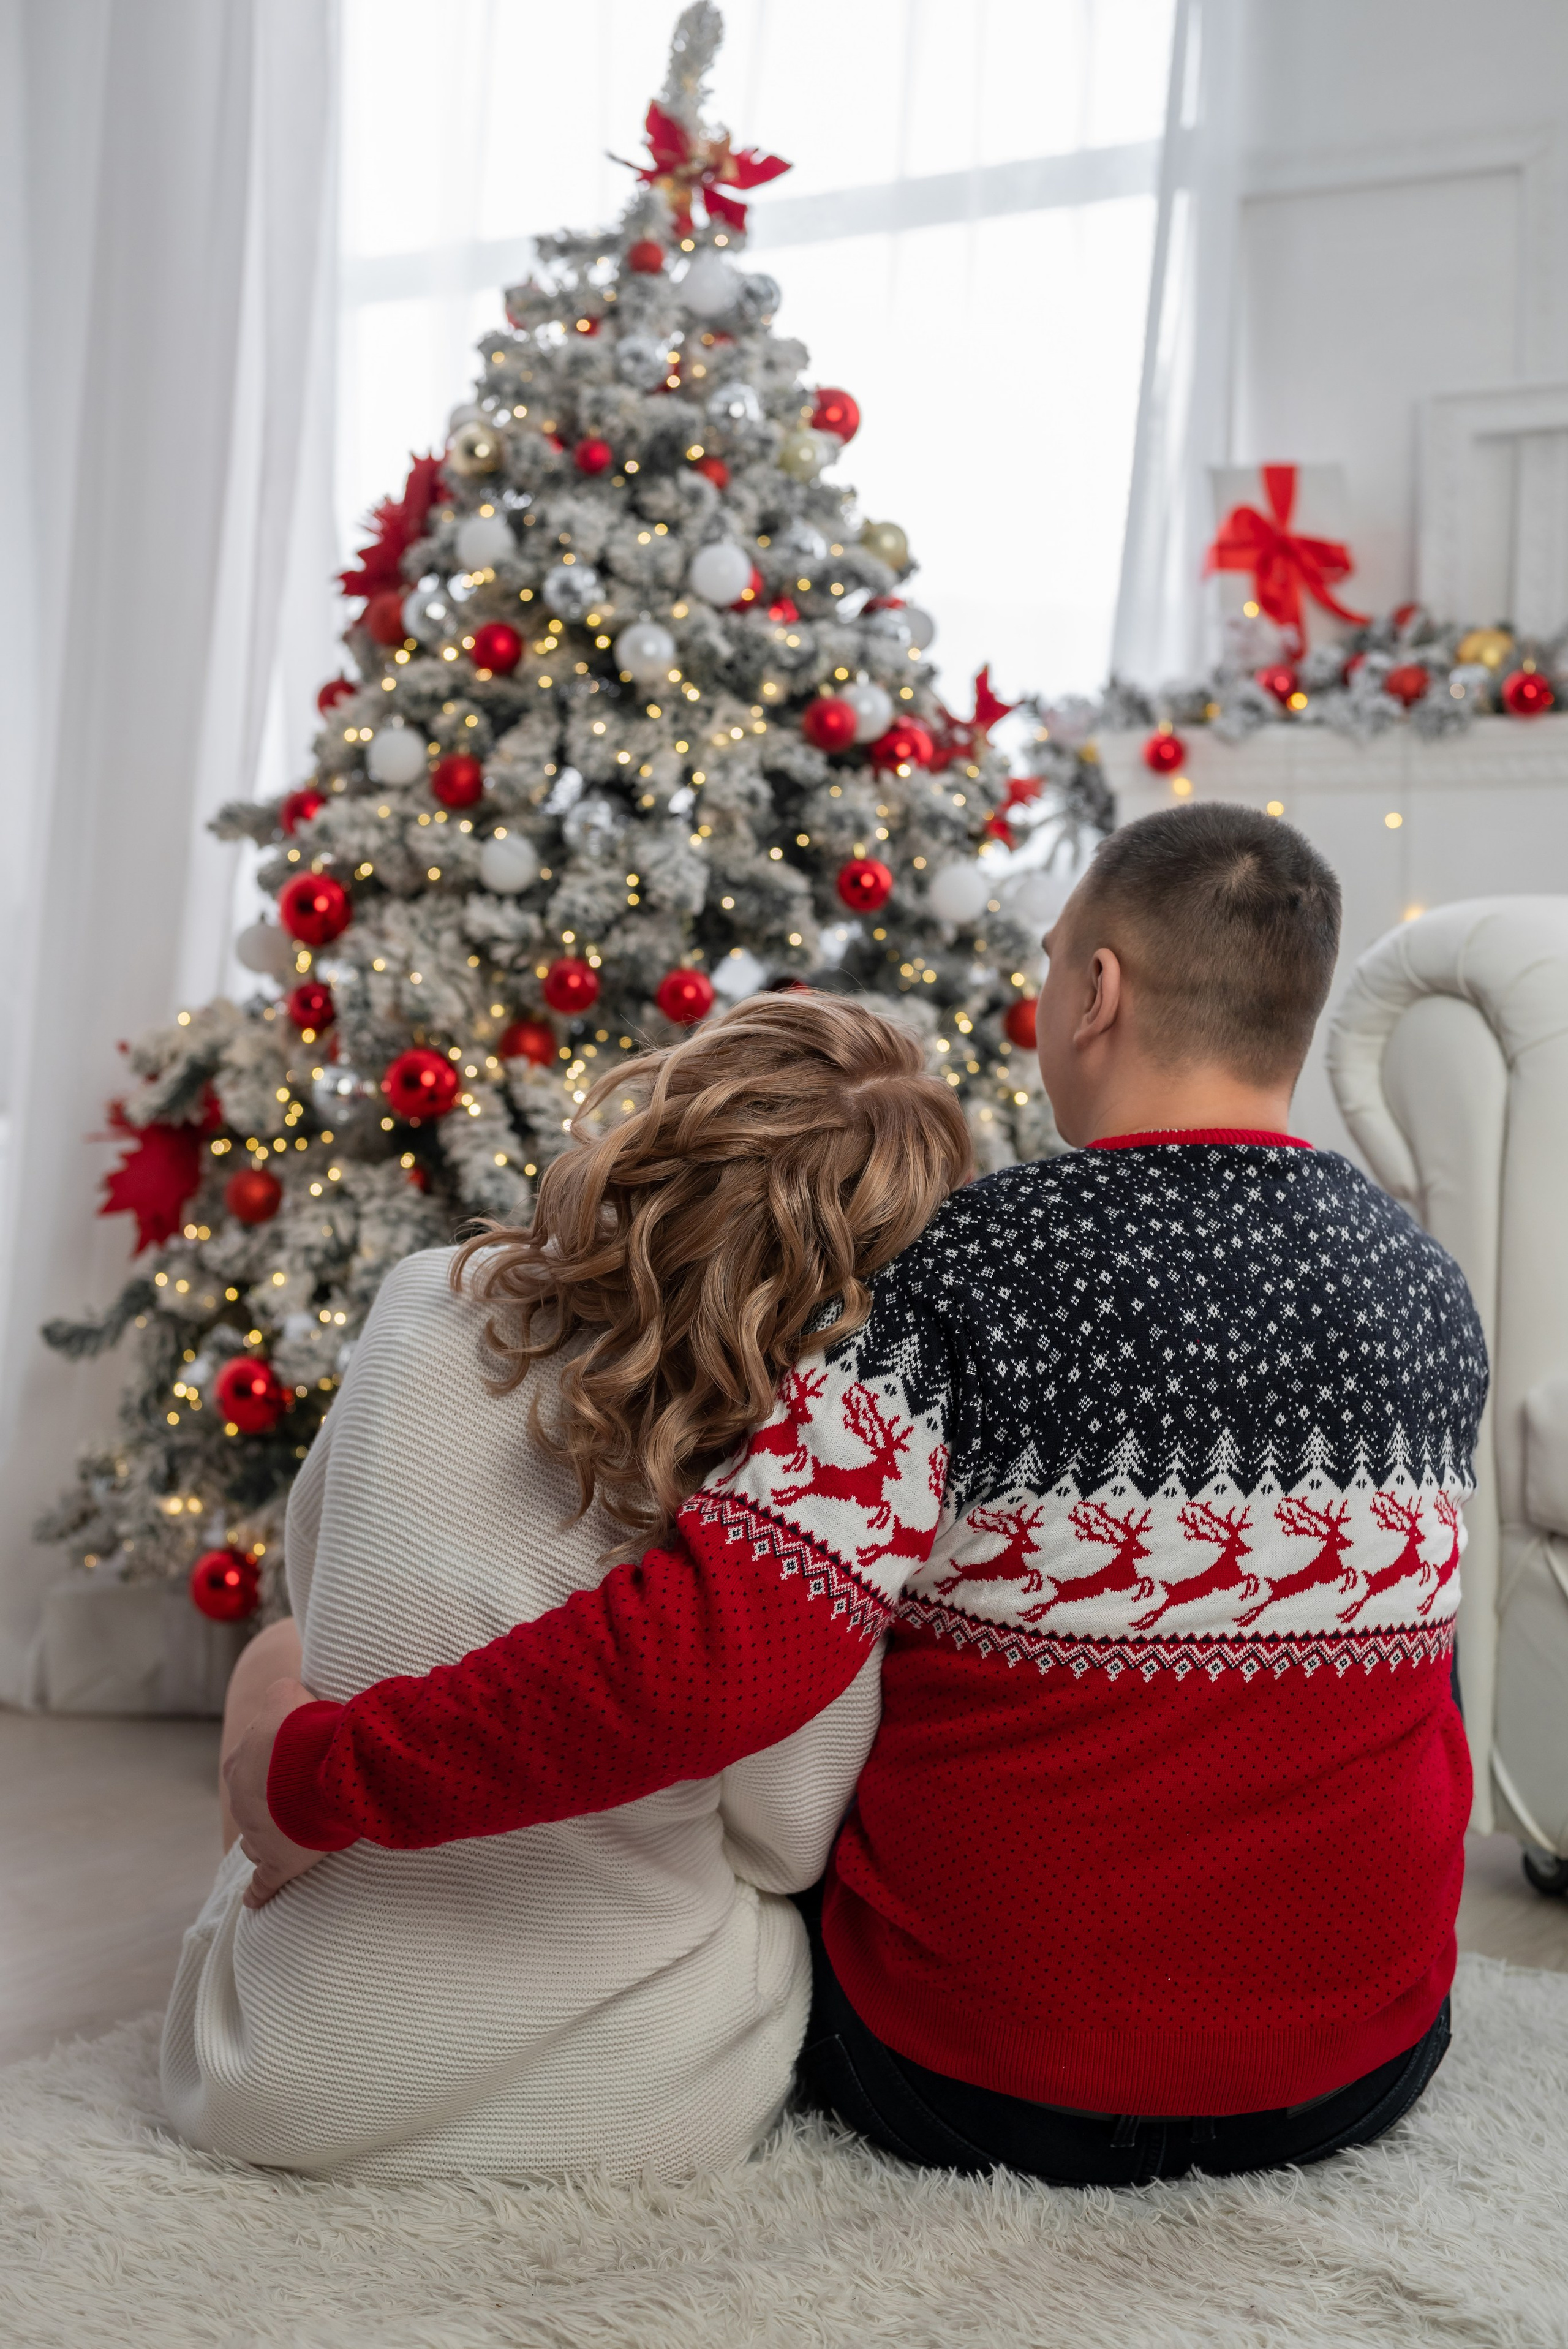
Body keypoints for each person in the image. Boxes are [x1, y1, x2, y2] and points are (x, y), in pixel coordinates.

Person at [228, 803, 1488, 2189]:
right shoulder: (1425, 1287)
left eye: (1050, 960)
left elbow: (703, 1666)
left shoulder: (959, 1271)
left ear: (1098, 992)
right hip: (1352, 2075)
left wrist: (318, 1776)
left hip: (982, 2091)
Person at [161, 994, 970, 2179]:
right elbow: (787, 1838)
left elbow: (316, 1577)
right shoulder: (801, 1481)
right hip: (630, 2101)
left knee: (283, 1663)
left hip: (270, 2074)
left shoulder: (421, 1296)